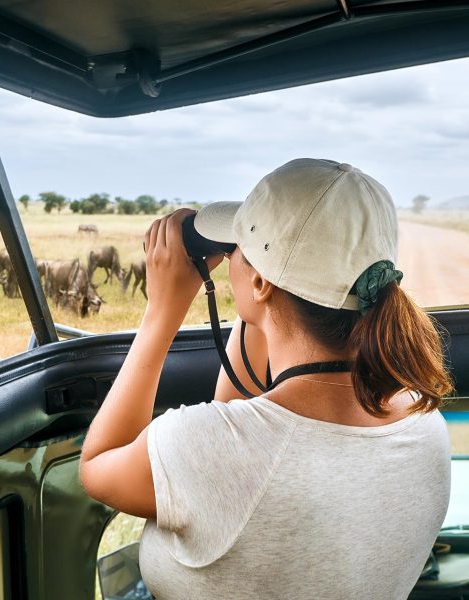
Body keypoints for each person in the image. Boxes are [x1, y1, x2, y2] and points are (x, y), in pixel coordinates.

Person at [79, 158, 453, 599]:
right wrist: (264, 302)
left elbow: (97, 465)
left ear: (260, 281)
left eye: (240, 249)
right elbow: (239, 421)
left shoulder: (214, 448)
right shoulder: (426, 425)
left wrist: (163, 310)